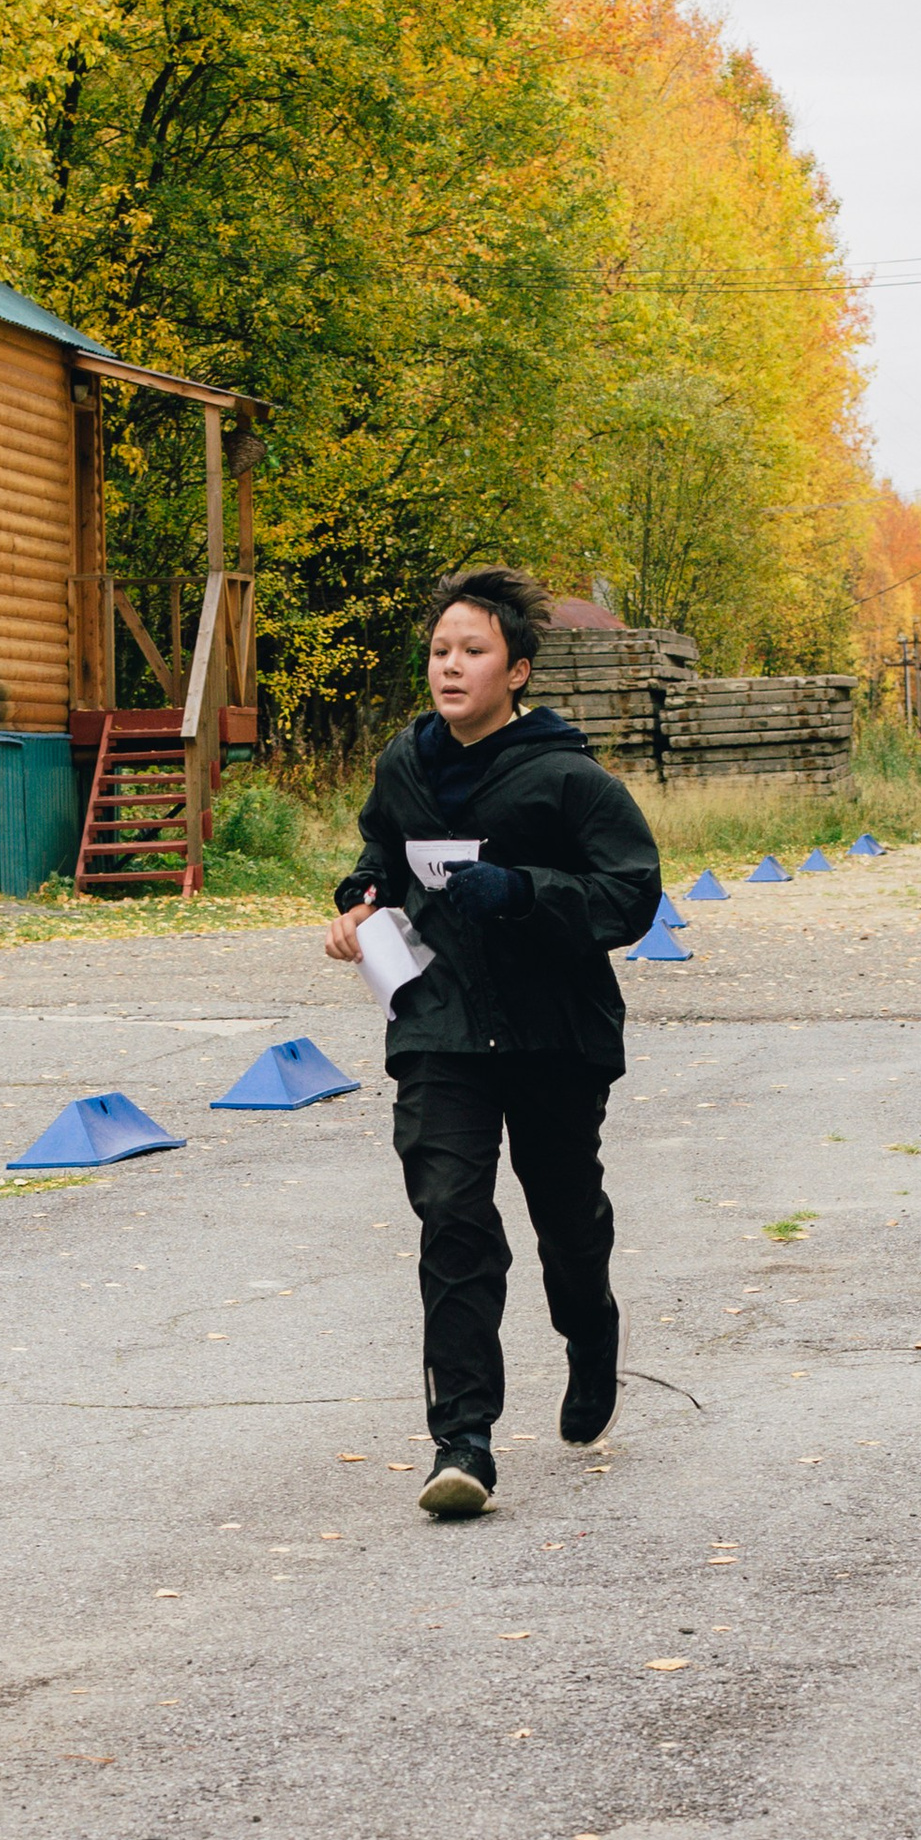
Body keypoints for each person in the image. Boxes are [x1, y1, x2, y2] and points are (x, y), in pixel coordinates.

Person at [325, 565, 662, 1520]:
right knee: (452, 1218)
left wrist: (523, 891)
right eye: (440, 651)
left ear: (516, 671)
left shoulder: (567, 776)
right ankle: (462, 1439)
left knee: (565, 1217)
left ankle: (590, 1334)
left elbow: (632, 893)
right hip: (439, 1023)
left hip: (554, 1031)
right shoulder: (406, 764)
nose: (450, 666)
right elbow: (381, 853)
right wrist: (359, 901)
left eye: (472, 651)